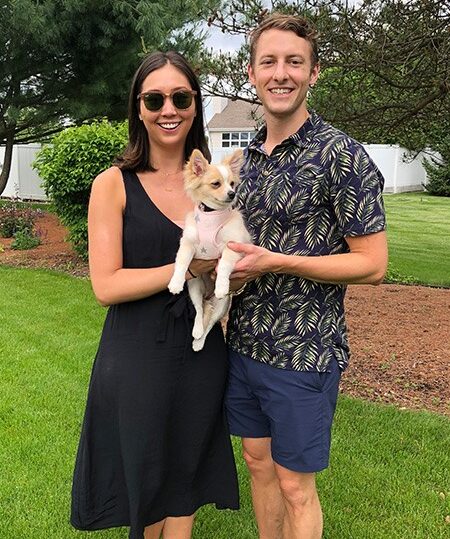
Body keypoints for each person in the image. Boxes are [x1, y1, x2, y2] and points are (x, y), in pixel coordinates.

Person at [224, 13, 388, 539]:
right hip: (245, 342)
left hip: (304, 352)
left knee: (297, 486)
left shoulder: (342, 156)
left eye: (294, 62)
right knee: (257, 464)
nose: (281, 73)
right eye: (268, 61)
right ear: (251, 74)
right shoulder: (246, 157)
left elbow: (372, 264)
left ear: (313, 73)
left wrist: (277, 261)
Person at [70, 51, 239, 539]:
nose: (169, 108)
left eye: (181, 97)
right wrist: (186, 268)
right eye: (155, 98)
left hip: (201, 354)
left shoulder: (216, 185)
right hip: (137, 356)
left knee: (184, 486)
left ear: (195, 105)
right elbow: (106, 285)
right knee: (145, 493)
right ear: (139, 108)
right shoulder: (113, 184)